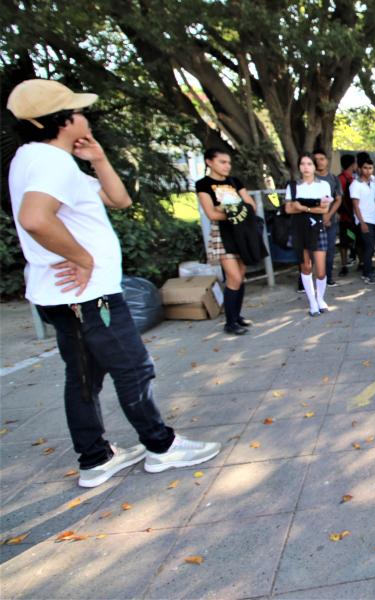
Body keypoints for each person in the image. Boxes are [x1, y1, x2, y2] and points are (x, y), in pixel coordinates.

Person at [6, 79, 220, 488]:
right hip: (89, 296)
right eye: (79, 110)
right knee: (134, 368)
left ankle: (96, 458)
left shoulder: (40, 158)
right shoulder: (49, 162)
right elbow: (36, 218)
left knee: (84, 376)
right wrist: (82, 258)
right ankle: (161, 446)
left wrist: (99, 159)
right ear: (63, 119)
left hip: (66, 296)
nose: (86, 116)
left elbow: (118, 200)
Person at [196, 148, 268, 335]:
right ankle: (230, 322)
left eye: (229, 162)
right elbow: (211, 213)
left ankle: (236, 316)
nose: (227, 166)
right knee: (234, 277)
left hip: (241, 233)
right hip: (222, 234)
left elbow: (250, 205)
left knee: (240, 277)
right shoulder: (203, 185)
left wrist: (227, 208)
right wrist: (235, 209)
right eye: (222, 162)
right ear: (209, 162)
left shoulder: (235, 181)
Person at [285, 154, 335, 316]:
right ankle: (312, 302)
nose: (306, 167)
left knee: (321, 270)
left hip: (317, 227)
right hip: (299, 229)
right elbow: (288, 209)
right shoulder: (293, 186)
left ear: (315, 167)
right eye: (302, 164)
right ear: (299, 167)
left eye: (309, 164)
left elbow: (324, 209)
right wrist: (312, 206)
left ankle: (320, 298)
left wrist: (303, 207)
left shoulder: (324, 185)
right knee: (305, 266)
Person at [313, 148, 343, 287]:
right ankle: (304, 280)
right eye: (316, 159)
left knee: (329, 250)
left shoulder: (333, 179)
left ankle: (328, 277)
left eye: (322, 159)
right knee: (310, 250)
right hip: (312, 220)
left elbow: (338, 199)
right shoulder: (308, 180)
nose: (319, 162)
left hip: (330, 220)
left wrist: (329, 216)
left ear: (327, 161)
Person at [349, 156, 375, 284]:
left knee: (371, 247)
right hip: (364, 220)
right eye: (365, 168)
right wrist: (362, 223)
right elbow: (355, 206)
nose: (368, 171)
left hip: (374, 218)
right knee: (368, 247)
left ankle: (368, 271)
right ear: (360, 169)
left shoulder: (373, 181)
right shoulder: (355, 185)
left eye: (370, 168)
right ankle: (367, 274)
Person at [336, 153, 358, 277]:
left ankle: (357, 260)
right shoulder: (341, 179)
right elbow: (341, 198)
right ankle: (344, 265)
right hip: (346, 216)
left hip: (355, 216)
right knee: (344, 241)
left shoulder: (354, 178)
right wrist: (348, 213)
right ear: (351, 164)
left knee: (355, 238)